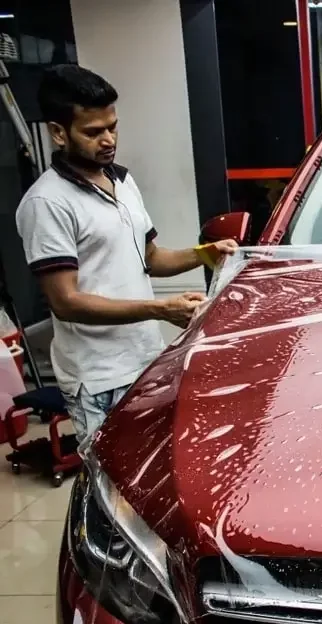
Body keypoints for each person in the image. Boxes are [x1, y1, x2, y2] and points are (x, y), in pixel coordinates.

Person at [15, 65, 237, 444]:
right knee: (113, 491)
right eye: (93, 132)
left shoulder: (121, 180)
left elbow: (150, 258)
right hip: (98, 378)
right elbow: (65, 302)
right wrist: (161, 309)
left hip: (145, 363)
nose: (108, 139)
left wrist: (204, 254)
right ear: (57, 132)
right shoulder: (46, 202)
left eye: (112, 127)